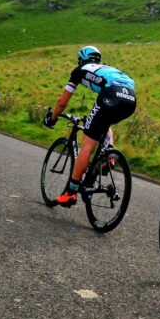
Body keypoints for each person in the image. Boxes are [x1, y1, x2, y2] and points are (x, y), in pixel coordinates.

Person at [44, 46, 137, 207]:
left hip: (111, 94)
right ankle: (109, 156)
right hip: (130, 98)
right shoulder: (106, 69)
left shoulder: (79, 70)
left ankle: (71, 192)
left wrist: (52, 118)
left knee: (87, 142)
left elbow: (62, 103)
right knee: (105, 122)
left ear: (81, 59)